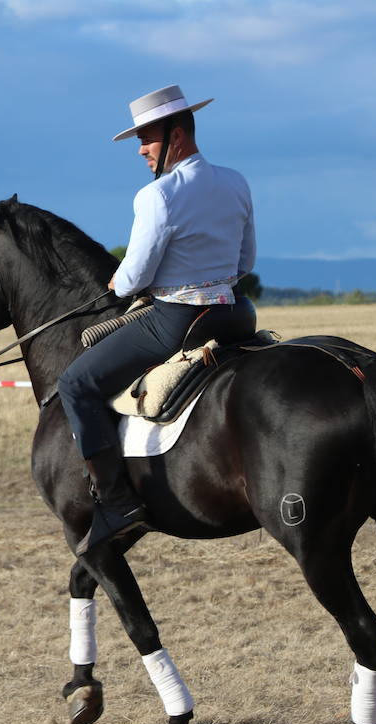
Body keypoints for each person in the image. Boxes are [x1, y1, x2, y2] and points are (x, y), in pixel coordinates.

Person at [57, 84, 257, 555]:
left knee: (75, 385)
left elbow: (135, 275)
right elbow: (245, 261)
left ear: (177, 135)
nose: (142, 150)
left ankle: (117, 502)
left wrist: (119, 285)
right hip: (235, 316)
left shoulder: (157, 196)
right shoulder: (236, 182)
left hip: (177, 320)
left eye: (146, 138)